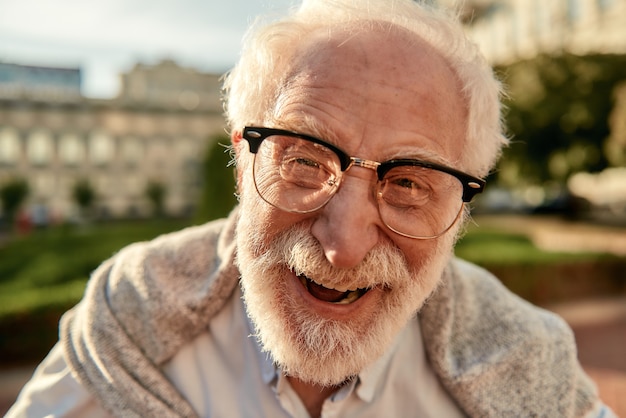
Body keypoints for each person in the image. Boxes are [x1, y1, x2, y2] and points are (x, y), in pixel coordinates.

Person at [7, 0, 615, 417]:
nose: (343, 245)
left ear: (462, 205)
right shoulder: (124, 321)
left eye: (409, 183)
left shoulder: (533, 362)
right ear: (242, 164)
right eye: (303, 160)